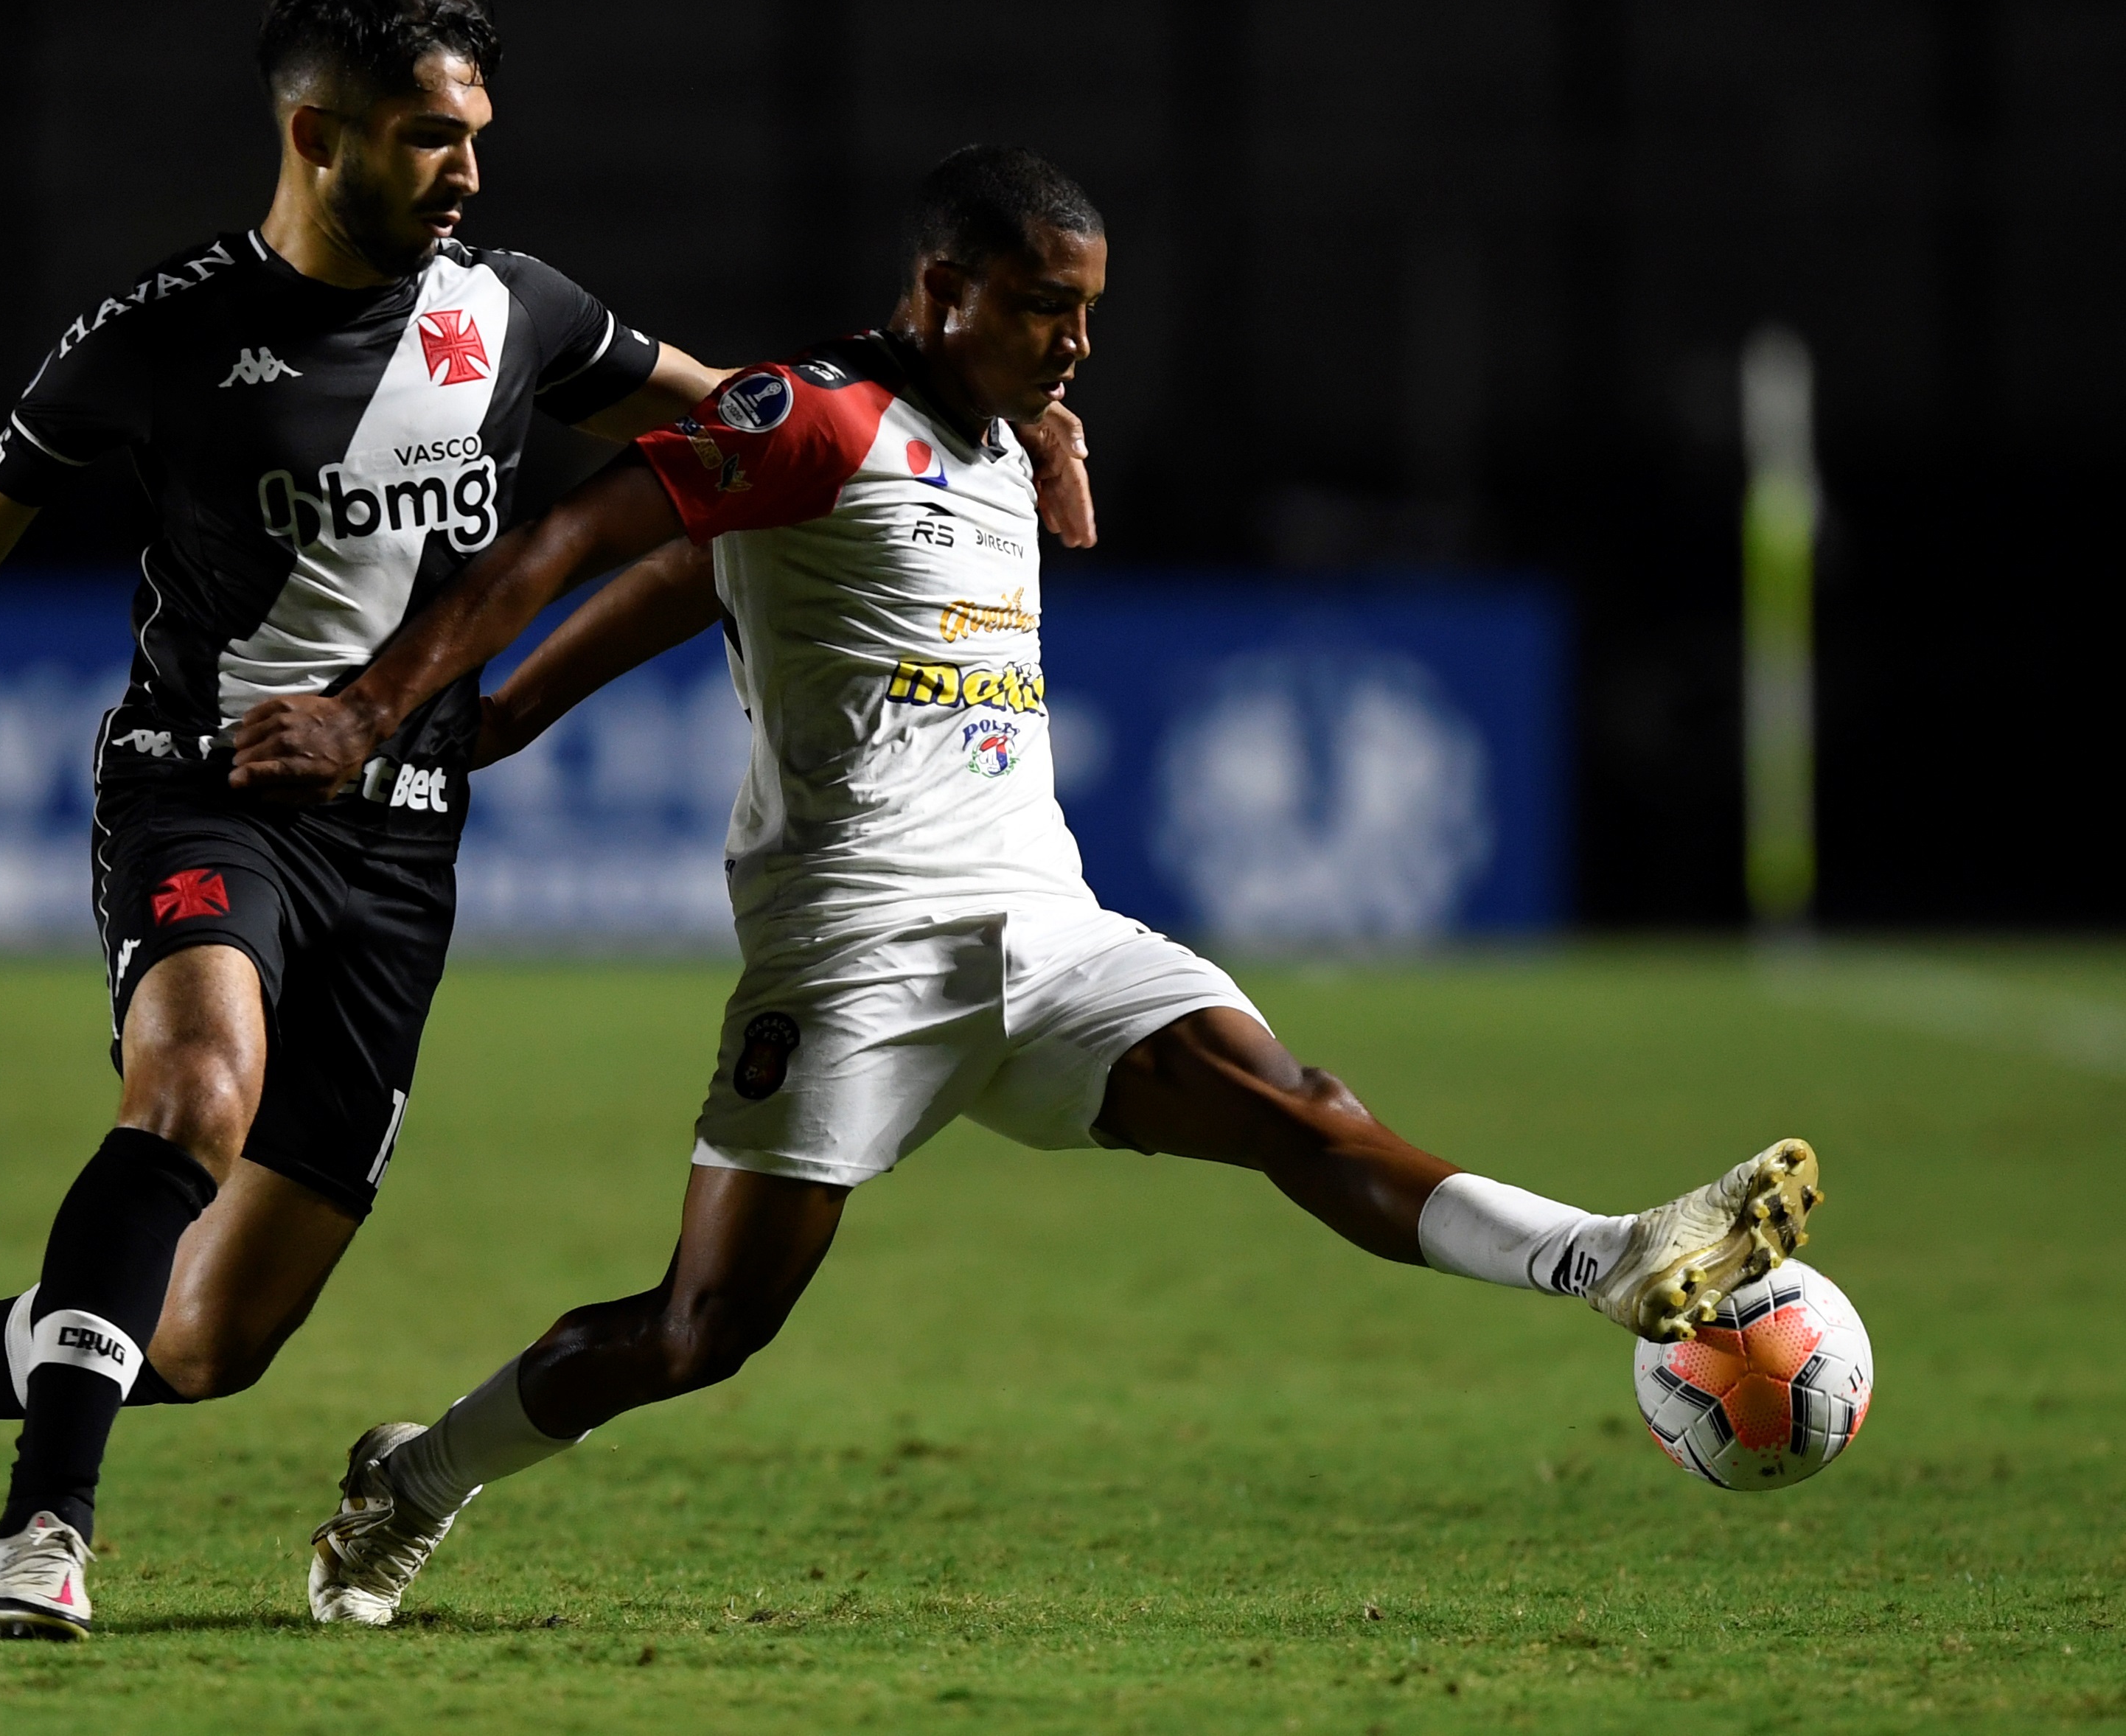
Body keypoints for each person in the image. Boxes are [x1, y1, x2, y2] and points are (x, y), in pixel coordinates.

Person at [0, 0, 1094, 1642]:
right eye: (434, 136)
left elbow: (771, 426)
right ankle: (44, 1534)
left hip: (404, 845)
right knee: (191, 1095)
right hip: (204, 796)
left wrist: (989, 432)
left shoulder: (519, 314)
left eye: (478, 133)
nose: (468, 169)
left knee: (205, 1345)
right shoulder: (166, 334)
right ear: (318, 134)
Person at [220, 143, 1827, 1628]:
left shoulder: (1002, 443)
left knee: (1296, 1104)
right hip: (854, 956)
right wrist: (427, 710)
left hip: (1051, 932)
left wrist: (1033, 482)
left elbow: (732, 570)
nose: (1074, 343)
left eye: (1089, 314)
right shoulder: (819, 414)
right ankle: (416, 1478)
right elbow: (610, 533)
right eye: (1044, 308)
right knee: (701, 1334)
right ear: (943, 293)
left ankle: (1608, 1255)